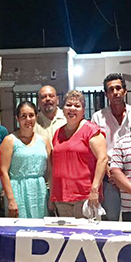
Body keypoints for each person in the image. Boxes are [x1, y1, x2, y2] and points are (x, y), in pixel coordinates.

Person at [51, 90, 108, 218]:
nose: (72, 109)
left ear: (83, 110)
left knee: (85, 231)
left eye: (77, 106)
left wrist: (94, 190)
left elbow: (103, 159)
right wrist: (52, 195)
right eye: (68, 105)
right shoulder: (58, 133)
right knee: (65, 231)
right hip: (61, 197)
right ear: (63, 109)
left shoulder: (91, 130)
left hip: (85, 196)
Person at [91, 73, 131, 221]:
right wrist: (107, 169)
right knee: (111, 217)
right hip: (108, 174)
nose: (115, 92)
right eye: (111, 89)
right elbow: (95, 149)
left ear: (125, 91)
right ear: (106, 94)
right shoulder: (98, 117)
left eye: (118, 88)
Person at [0, 101, 50, 218]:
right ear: (17, 118)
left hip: (39, 191)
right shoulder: (10, 140)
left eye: (31, 115)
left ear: (36, 116)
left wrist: (51, 197)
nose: (28, 119)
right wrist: (11, 199)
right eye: (23, 116)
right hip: (17, 190)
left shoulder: (44, 141)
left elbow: (50, 170)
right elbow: (3, 171)